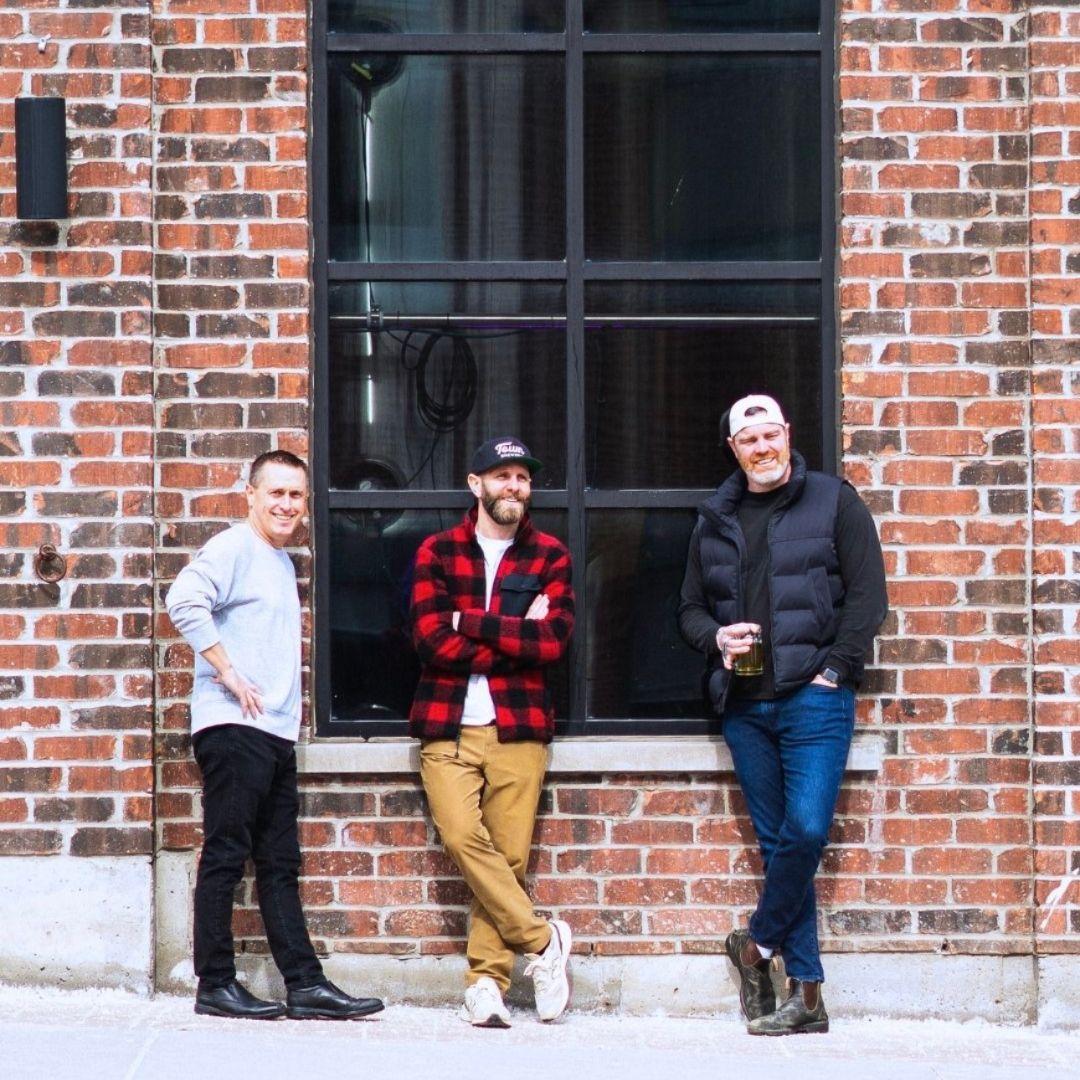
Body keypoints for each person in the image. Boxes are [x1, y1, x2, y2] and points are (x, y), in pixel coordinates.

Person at [678, 394, 888, 1036]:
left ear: (788, 436)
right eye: (750, 440)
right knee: (777, 848)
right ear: (734, 449)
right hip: (744, 704)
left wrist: (835, 670)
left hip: (813, 699)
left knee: (803, 833)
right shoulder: (715, 519)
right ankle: (809, 997)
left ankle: (756, 946)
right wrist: (718, 638)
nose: (763, 447)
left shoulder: (833, 500)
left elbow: (869, 596)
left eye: (772, 435)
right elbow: (687, 610)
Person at [166, 450, 384, 1021]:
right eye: (276, 493)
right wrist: (227, 670)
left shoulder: (279, 561)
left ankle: (305, 985)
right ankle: (214, 984)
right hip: (235, 727)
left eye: (296, 495)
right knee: (226, 854)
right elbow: (183, 600)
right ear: (252, 496)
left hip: (272, 734)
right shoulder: (235, 546)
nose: (287, 504)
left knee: (280, 862)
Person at [409, 436, 575, 1028]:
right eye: (501, 476)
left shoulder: (550, 556)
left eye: (522, 478)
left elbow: (552, 642)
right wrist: (511, 635)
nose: (513, 486)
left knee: (508, 856)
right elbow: (430, 639)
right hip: (448, 724)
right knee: (461, 836)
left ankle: (485, 982)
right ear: (475, 484)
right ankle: (542, 941)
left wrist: (471, 622)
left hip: (519, 726)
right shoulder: (437, 551)